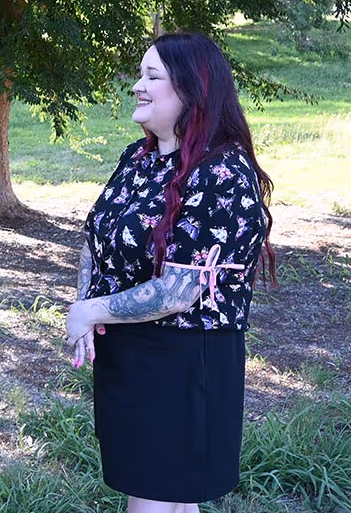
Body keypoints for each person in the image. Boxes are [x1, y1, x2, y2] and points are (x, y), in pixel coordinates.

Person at [65, 32, 276, 513]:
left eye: (152, 76)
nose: (138, 86)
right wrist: (89, 310)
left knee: (158, 500)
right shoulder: (137, 159)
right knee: (168, 499)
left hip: (184, 361)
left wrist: (91, 309)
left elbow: (182, 289)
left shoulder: (221, 172)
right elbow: (96, 238)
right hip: (131, 353)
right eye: (140, 74)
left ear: (191, 89)